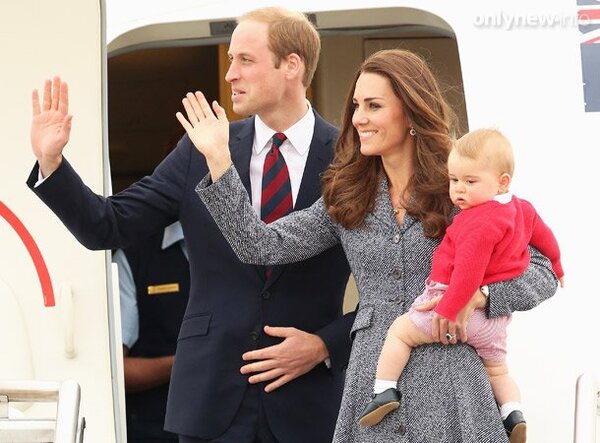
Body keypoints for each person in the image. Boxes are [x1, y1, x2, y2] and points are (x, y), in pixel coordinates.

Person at [178, 49, 559, 442]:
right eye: (357, 105)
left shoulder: (462, 185)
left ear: (410, 112)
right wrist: (219, 160)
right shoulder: (347, 195)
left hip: (454, 386)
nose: (359, 118)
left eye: (373, 106)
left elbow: (542, 272)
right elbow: (260, 245)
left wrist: (480, 296)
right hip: (372, 384)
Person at [27, 7, 355, 443]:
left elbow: (391, 287)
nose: (231, 74)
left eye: (246, 60)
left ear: (291, 65)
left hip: (308, 404)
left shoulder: (349, 160)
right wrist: (52, 164)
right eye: (231, 59)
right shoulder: (199, 150)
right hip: (210, 401)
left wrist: (323, 345)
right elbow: (107, 226)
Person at [356, 128, 565, 443]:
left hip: (452, 304)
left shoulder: (475, 222)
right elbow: (545, 238)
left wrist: (449, 309)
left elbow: (468, 272)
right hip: (494, 322)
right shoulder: (521, 208)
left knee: (400, 333)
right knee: (497, 370)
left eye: (470, 182)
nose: (459, 191)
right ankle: (512, 412)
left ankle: (384, 389)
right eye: (454, 180)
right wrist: (559, 266)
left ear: (502, 181)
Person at [114, 220, 188, 442]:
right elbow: (114, 370)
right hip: (156, 429)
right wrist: (186, 362)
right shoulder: (133, 256)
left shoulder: (247, 244)